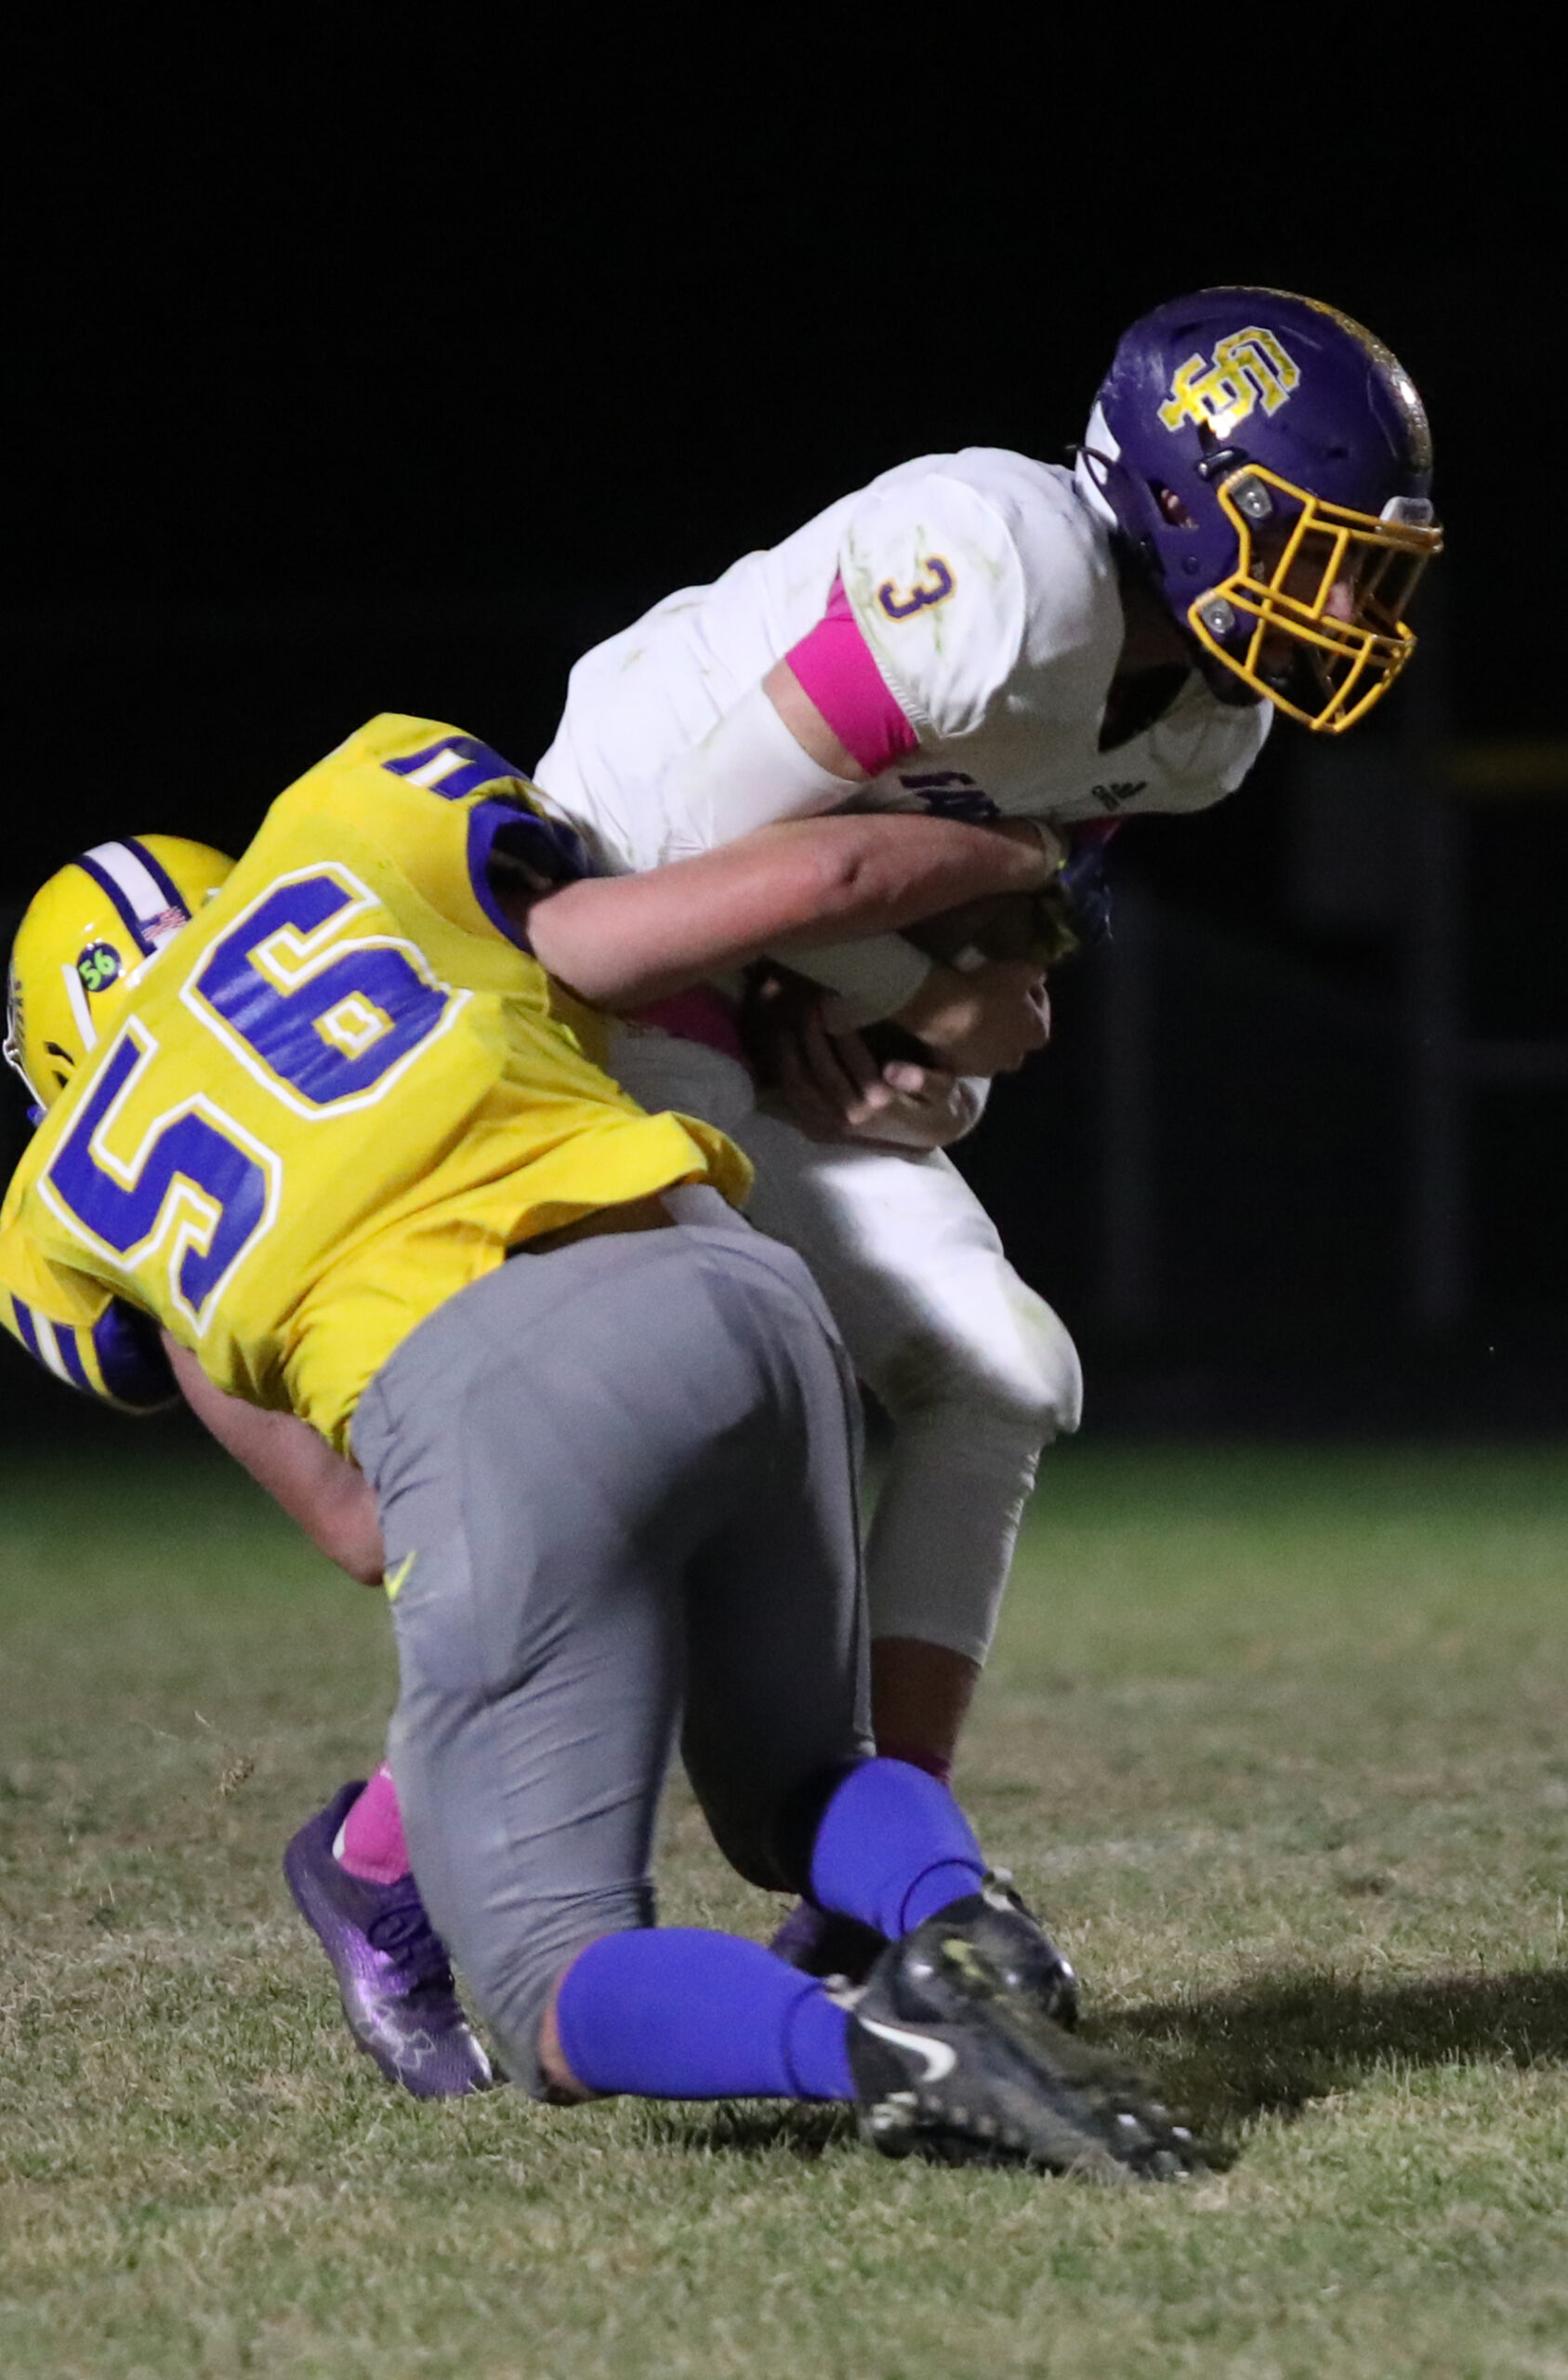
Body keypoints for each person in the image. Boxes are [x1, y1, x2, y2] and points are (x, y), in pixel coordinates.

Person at [0, 716, 1194, 2175]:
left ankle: (895, 2052)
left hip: (493, 1388)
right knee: (804, 1777)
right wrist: (1022, 857)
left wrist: (553, 1530)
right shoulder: (356, 842)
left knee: (544, 1975)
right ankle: (963, 1921)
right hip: (741, 1286)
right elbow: (735, 905)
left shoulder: (64, 1212)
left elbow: (360, 1528)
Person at [530, 285, 1443, 1875]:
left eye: (1373, 566)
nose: (1350, 603)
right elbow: (697, 849)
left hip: (769, 978)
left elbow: (992, 979)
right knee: (710, 1398)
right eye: (1321, 549)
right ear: (1186, 500)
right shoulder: (1001, 574)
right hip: (609, 941)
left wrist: (928, 1077)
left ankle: (891, 1859)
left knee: (1003, 1376)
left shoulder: (1203, 731)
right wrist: (911, 993)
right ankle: (398, 1859)